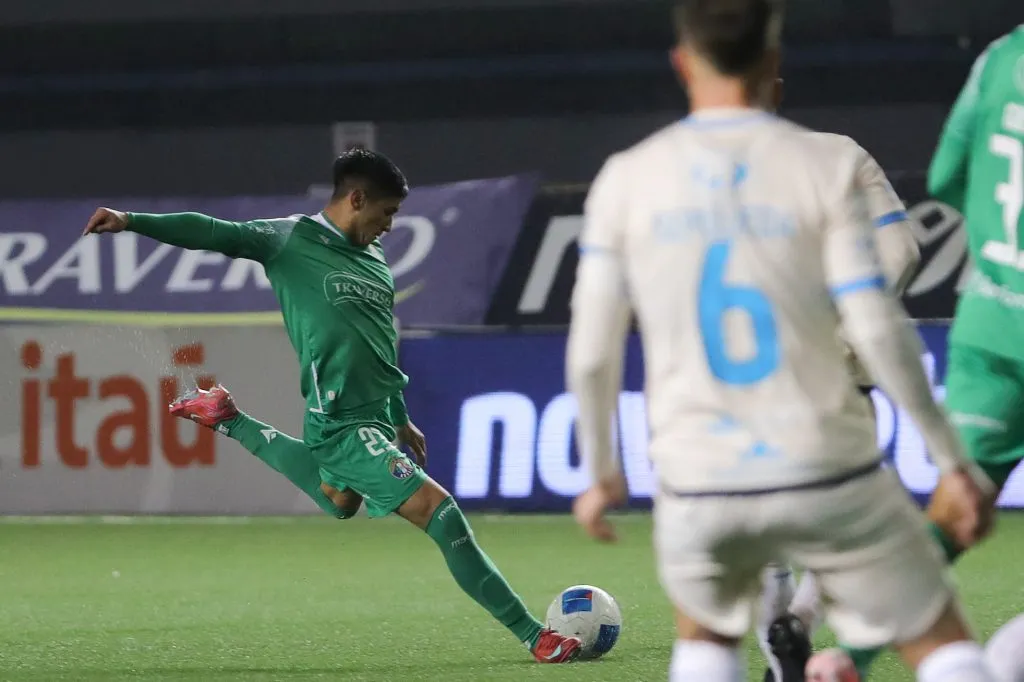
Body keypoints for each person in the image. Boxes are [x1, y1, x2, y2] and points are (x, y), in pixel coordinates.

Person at [565, 1, 995, 680]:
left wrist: (600, 472)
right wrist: (949, 457)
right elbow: (884, 305)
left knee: (704, 638)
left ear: (682, 65)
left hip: (698, 471)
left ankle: (776, 635)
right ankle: (800, 620)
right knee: (938, 638)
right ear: (774, 69)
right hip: (825, 446)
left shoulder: (628, 176)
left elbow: (592, 350)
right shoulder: (829, 163)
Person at [82, 148, 582, 664]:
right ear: (357, 198)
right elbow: (213, 231)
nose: (389, 226)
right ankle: (534, 636)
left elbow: (379, 347)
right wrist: (131, 221)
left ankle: (228, 418)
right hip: (339, 422)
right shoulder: (289, 239)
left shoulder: (375, 261)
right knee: (441, 513)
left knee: (339, 500)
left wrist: (398, 415)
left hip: (372, 416)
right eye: (385, 213)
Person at [814, 22, 1024, 681]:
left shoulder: (1000, 57)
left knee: (956, 508)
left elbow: (946, 175)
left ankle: (848, 656)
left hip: (991, 322)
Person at [755, 78, 924, 682]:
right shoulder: (839, 155)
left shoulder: (676, 178)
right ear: (775, 84)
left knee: (754, 535)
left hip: (745, 383)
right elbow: (902, 249)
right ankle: (800, 621)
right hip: (842, 379)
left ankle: (780, 661)